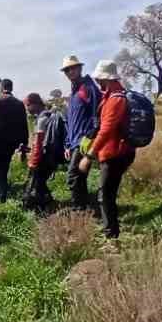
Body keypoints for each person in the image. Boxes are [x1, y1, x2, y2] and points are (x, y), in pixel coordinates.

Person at [86, 60, 135, 246]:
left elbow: (106, 130)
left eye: (100, 79)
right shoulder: (115, 95)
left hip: (115, 153)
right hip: (120, 151)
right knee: (109, 193)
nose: (98, 82)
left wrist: (90, 154)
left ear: (107, 79)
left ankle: (111, 237)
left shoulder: (115, 100)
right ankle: (111, 230)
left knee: (105, 195)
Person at [61, 55, 102, 213]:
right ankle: (85, 209)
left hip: (84, 141)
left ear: (79, 68)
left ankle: (78, 210)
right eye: (66, 70)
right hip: (74, 142)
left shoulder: (88, 88)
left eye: (72, 68)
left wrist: (91, 139)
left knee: (73, 175)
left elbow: (97, 115)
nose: (69, 72)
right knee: (79, 177)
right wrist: (67, 144)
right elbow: (71, 121)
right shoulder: (74, 92)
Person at [23, 92, 67, 212]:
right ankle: (48, 204)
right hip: (52, 157)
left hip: (44, 158)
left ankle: (41, 208)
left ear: (35, 104)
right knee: (40, 183)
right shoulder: (49, 115)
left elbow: (38, 142)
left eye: (27, 105)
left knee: (36, 183)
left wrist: (33, 161)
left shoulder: (42, 119)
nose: (27, 109)